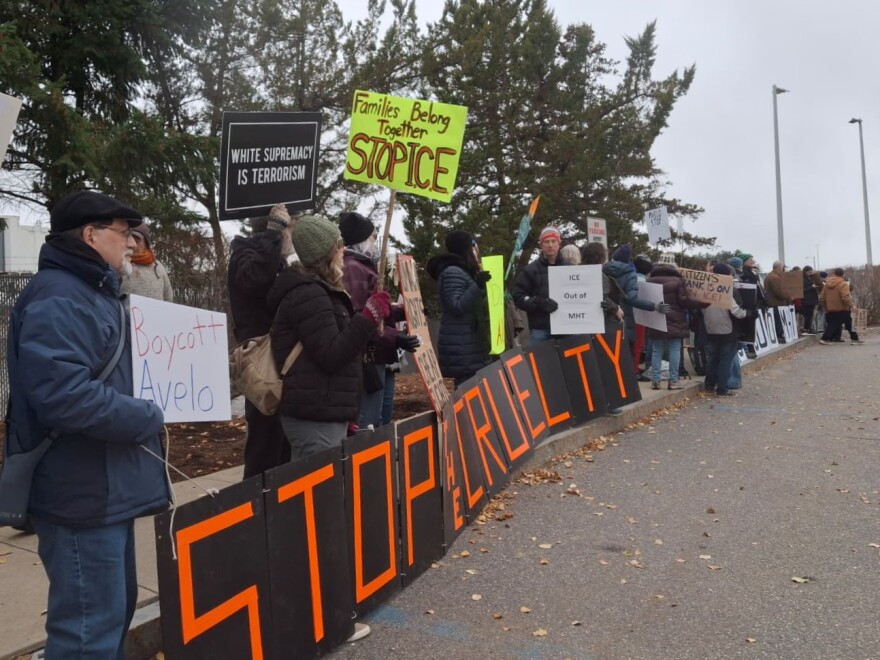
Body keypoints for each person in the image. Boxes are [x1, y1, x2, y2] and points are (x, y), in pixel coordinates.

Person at [6, 190, 169, 657]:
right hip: (81, 494)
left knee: (109, 616)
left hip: (103, 487)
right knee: (86, 633)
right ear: (90, 235)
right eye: (124, 233)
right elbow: (62, 396)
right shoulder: (60, 297)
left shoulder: (90, 292)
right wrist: (145, 413)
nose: (132, 244)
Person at [228, 203, 295, 479]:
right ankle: (256, 506)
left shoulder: (271, 260)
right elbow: (256, 280)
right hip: (261, 363)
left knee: (281, 445)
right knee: (264, 446)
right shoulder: (245, 256)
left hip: (280, 360)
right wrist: (274, 234)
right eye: (290, 227)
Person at [339, 211, 418, 428]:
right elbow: (361, 316)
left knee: (379, 415)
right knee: (368, 419)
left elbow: (377, 309)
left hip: (378, 353)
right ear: (361, 240)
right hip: (368, 356)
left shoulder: (362, 265)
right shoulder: (352, 269)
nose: (375, 242)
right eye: (373, 237)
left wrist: (404, 311)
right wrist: (394, 337)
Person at [426, 230, 493, 387]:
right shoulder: (452, 272)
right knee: (467, 391)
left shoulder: (464, 271)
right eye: (474, 246)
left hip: (469, 343)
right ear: (467, 249)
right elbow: (456, 306)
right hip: (461, 344)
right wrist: (477, 286)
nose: (477, 251)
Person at [603, 244, 671, 358]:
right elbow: (632, 298)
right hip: (626, 318)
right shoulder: (629, 274)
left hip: (606, 317)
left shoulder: (603, 270)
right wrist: (654, 306)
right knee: (627, 354)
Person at [581, 242, 625, 416]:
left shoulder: (579, 272)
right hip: (601, 325)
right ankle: (607, 404)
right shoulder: (598, 275)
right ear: (601, 256)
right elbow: (602, 298)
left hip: (584, 326)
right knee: (604, 365)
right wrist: (615, 309)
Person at [645, 261, 703, 390]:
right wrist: (701, 304)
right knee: (675, 350)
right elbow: (684, 302)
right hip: (675, 320)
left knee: (656, 350)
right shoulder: (677, 281)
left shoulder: (649, 280)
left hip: (655, 319)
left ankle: (655, 381)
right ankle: (674, 380)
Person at [513, 225, 568, 345]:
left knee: (569, 363)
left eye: (553, 241)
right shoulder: (530, 270)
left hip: (566, 328)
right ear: (541, 245)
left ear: (559, 243)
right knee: (540, 363)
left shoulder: (570, 268)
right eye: (546, 242)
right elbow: (518, 295)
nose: (550, 245)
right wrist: (538, 302)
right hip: (540, 328)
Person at [702, 263, 751, 397]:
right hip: (728, 330)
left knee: (712, 359)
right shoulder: (728, 289)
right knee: (725, 360)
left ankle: (709, 385)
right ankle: (722, 389)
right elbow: (737, 312)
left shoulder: (705, 288)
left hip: (711, 328)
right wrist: (749, 314)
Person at [120, 221, 173, 301]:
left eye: (137, 239)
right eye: (129, 238)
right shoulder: (118, 264)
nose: (133, 243)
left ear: (146, 243)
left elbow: (168, 298)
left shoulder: (158, 267)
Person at [820, 267, 862, 345]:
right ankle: (854, 339)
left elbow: (822, 297)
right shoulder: (843, 284)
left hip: (831, 308)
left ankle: (854, 338)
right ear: (843, 275)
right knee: (848, 323)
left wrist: (825, 307)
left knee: (834, 323)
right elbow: (845, 296)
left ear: (834, 274)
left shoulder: (827, 284)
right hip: (842, 308)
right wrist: (852, 305)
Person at [763, 260, 791, 344]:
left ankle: (778, 335)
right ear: (779, 267)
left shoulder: (770, 276)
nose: (783, 269)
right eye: (783, 268)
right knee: (778, 321)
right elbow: (779, 292)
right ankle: (779, 336)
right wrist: (789, 296)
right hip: (777, 303)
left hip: (774, 302)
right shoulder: (774, 277)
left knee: (776, 320)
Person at [800, 265, 820, 334]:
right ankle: (806, 328)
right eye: (809, 272)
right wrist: (811, 287)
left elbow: (818, 282)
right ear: (805, 272)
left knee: (811, 315)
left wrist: (815, 275)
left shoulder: (810, 278)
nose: (810, 273)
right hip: (806, 300)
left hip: (812, 299)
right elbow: (802, 290)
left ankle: (809, 328)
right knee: (807, 315)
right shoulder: (802, 279)